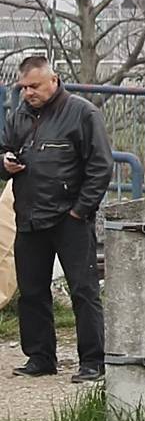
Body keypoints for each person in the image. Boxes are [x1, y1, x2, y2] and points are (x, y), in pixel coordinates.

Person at [2, 52, 111, 381]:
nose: (28, 93)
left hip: (69, 218)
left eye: (34, 86)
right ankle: (40, 356)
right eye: (23, 88)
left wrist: (81, 210)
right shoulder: (19, 116)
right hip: (29, 217)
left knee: (83, 290)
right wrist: (4, 163)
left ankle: (93, 360)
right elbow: (3, 148)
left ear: (54, 80)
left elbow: (100, 166)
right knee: (32, 291)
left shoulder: (81, 113)